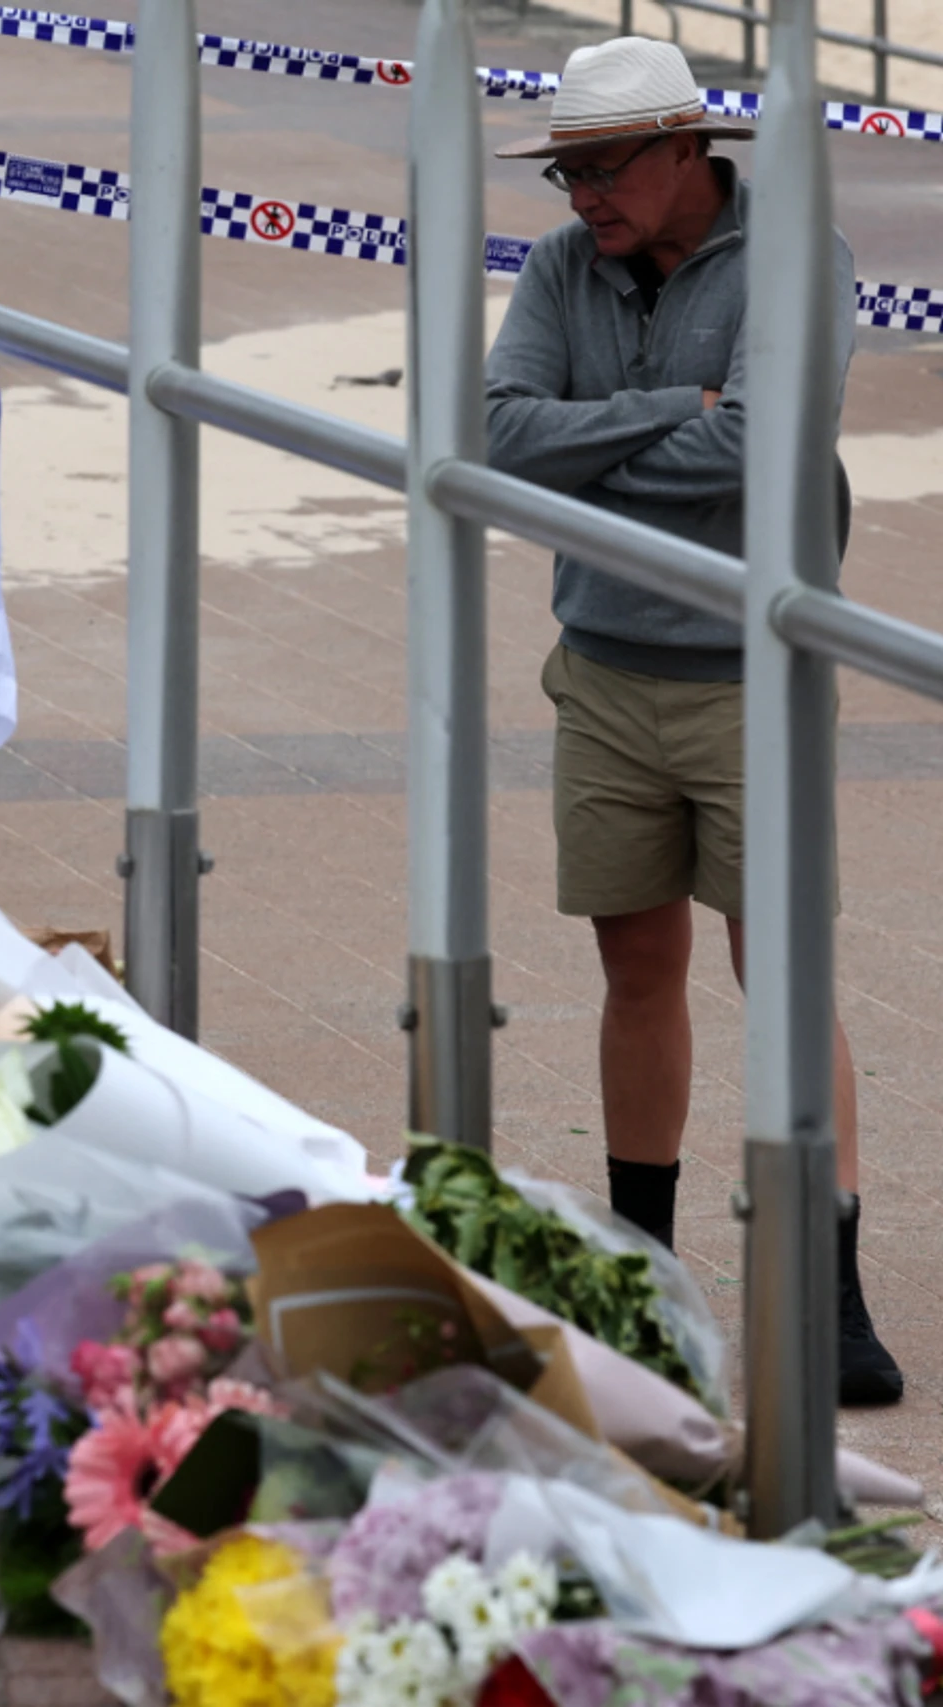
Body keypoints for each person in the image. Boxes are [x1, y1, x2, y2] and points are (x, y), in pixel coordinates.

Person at [483, 37, 899, 1405]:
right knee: (636, 971)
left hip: (749, 666)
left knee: (780, 973)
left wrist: (605, 436)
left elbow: (772, 443)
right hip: (603, 663)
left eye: (601, 167)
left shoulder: (797, 253)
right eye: (564, 171)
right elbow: (503, 435)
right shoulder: (561, 266)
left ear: (685, 149)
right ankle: (639, 1268)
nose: (580, 195)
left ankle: (826, 1290)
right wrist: (680, 411)